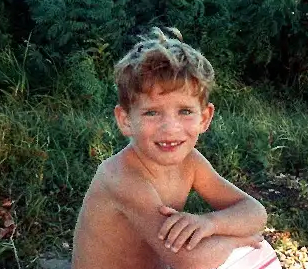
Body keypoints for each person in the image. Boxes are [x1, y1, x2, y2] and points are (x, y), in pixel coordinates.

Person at [72, 27, 268, 269]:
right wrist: (237, 242)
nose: (170, 128)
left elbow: (254, 212)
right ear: (125, 120)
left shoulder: (191, 162)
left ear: (204, 118)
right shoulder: (121, 177)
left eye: (184, 111)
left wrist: (212, 224)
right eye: (152, 112)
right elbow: (189, 260)